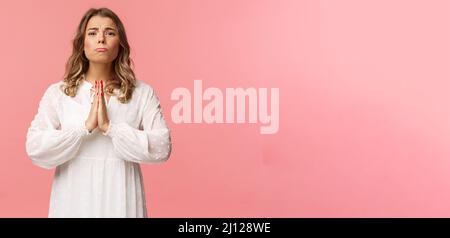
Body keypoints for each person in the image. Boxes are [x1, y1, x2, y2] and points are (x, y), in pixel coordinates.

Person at [25, 7, 172, 218]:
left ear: (120, 44)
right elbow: (35, 146)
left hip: (121, 197)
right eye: (92, 33)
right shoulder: (59, 92)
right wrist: (83, 129)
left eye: (110, 33)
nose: (101, 39)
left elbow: (163, 146)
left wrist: (110, 128)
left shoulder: (141, 93)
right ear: (82, 43)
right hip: (73, 198)